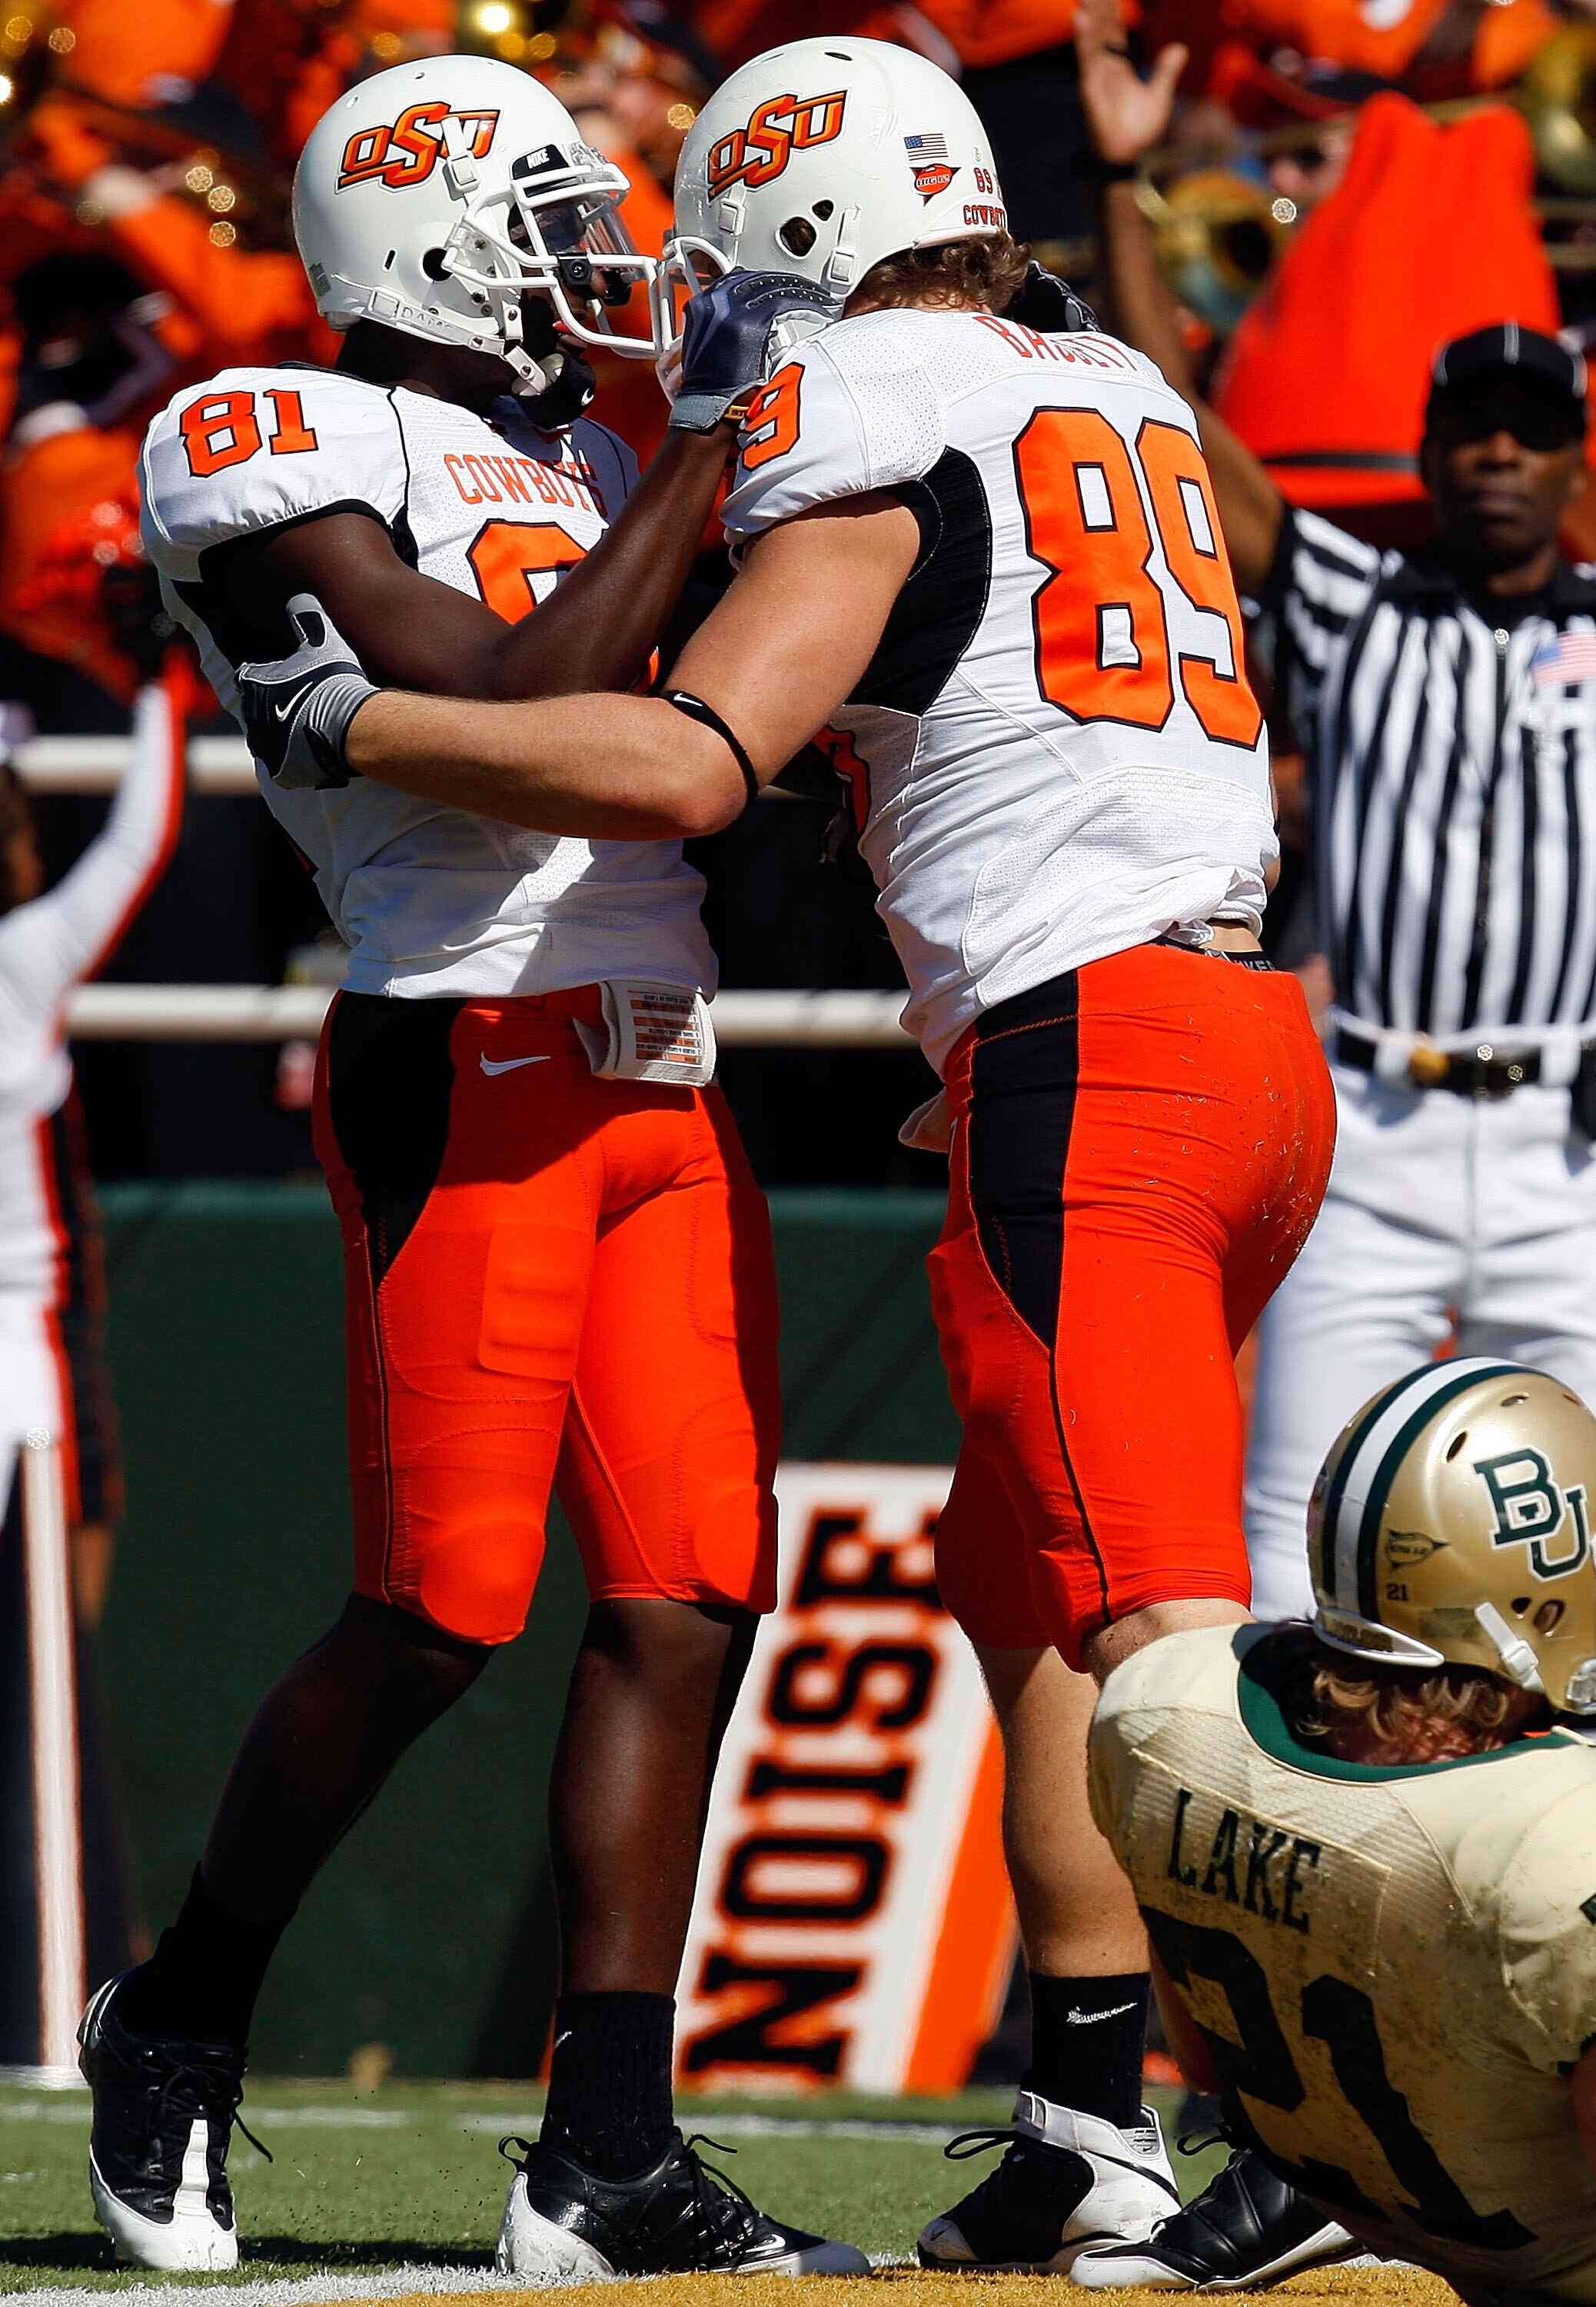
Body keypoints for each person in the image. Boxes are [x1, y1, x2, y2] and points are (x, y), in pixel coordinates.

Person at [235, 29, 1337, 2276]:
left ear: (815, 241)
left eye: (749, 270)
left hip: (1092, 1058)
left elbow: (678, 772)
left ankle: (1299, 2118)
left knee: (1145, 1626)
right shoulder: (1108, 385)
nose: (729, 322)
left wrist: (368, 722)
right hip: (1233, 1040)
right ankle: (1084, 2109)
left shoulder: (868, 411)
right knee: (1018, 1577)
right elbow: (1209, 569)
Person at [97, 50, 866, 2282]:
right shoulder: (270, 433)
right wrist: (708, 455)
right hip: (470, 1054)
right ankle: (180, 2018)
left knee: (693, 1591)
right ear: (419, 246)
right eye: (548, 234)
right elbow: (519, 692)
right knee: (444, 1609)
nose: (599, 280)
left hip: (660, 1061)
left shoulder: (584, 447)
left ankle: (603, 2151)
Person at [1076, 0, 1596, 1630]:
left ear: (1573, 459)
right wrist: (1117, 189)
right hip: (1362, 1130)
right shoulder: (1350, 597)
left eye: (1528, 434)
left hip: (1564, 1148)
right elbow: (1171, 422)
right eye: (1472, 433)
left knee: (1579, 1573)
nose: (1499, 457)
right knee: (1295, 1549)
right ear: (1429, 454)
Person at [1080, 1357, 1596, 2302]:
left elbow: (1208, 2060)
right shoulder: (1582, 1841)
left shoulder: (1163, 1712)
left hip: (1403, 2199)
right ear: (1521, 1593)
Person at [0, 674, 183, 2066]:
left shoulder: (22, 957)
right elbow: (139, 836)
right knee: (48, 1676)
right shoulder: (24, 956)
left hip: (33, 1352)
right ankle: (58, 2001)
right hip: (26, 1366)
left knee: (50, 1661)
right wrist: (157, 694)